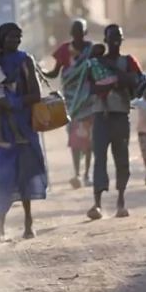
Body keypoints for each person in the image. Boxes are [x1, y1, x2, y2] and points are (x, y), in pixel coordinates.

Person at [0, 23, 48, 242]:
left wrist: (12, 103)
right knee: (3, 173)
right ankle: (0, 227)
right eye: (11, 37)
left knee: (25, 172)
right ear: (1, 38)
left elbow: (35, 95)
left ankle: (28, 223)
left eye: (19, 37)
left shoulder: (25, 60)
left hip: (23, 123)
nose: (16, 41)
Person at [87, 24, 146, 220]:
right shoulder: (95, 62)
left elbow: (135, 82)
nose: (115, 40)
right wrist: (114, 82)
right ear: (105, 39)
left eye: (118, 37)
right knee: (100, 159)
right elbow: (90, 87)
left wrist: (113, 72)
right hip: (100, 115)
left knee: (121, 159)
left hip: (120, 114)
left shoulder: (128, 61)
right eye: (112, 37)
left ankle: (121, 201)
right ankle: (97, 204)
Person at [44, 19, 95, 189]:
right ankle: (77, 173)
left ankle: (87, 174)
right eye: (75, 32)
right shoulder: (64, 50)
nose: (77, 36)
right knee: (75, 138)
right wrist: (37, 70)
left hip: (89, 100)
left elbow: (98, 70)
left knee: (89, 140)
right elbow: (54, 73)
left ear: (85, 33)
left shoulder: (92, 49)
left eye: (80, 32)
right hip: (72, 101)